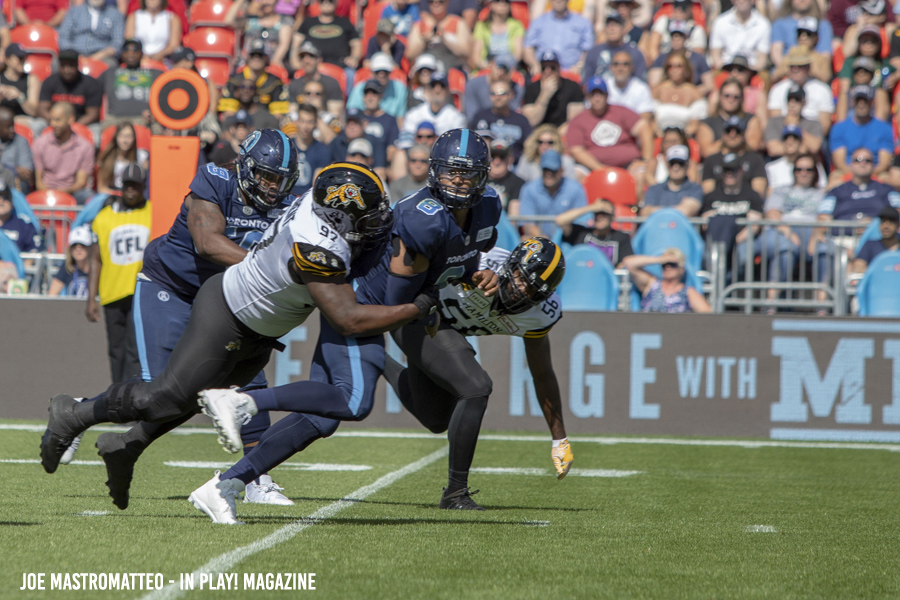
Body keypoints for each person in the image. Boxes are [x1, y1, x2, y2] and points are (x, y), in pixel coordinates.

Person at [39, 161, 438, 513]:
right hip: (229, 314)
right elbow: (347, 319)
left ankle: (127, 447)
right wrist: (419, 307)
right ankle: (73, 412)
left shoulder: (314, 208)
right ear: (338, 219)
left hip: (259, 326)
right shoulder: (316, 245)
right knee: (161, 397)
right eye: (367, 217)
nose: (377, 222)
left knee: (186, 400)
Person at [164, 131, 501, 522]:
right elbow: (398, 300)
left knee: (323, 417)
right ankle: (245, 402)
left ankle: (225, 485)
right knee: (355, 401)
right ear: (434, 172)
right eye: (451, 172)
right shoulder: (422, 219)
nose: (459, 181)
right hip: (363, 309)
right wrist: (428, 305)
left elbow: (461, 256)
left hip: (383, 308)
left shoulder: (488, 206)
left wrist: (473, 276)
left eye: (468, 173)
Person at [382, 238, 572, 511]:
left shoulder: (540, 314)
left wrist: (559, 438)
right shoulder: (479, 261)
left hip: (442, 333)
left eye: (533, 290)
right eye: (521, 278)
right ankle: (455, 493)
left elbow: (542, 373)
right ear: (510, 265)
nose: (522, 291)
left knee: (435, 419)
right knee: (476, 387)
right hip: (415, 315)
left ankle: (375, 358)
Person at [85, 163, 151, 385]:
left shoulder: (152, 212)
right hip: (111, 292)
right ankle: (117, 394)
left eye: (136, 185)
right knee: (116, 351)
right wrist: (91, 298)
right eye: (127, 185)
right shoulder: (104, 217)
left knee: (134, 349)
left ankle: (131, 395)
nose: (131, 189)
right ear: (121, 186)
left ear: (143, 186)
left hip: (140, 292)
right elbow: (95, 259)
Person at [759, 153, 827, 312]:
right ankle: (771, 302)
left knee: (825, 249)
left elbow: (824, 216)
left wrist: (816, 235)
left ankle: (822, 304)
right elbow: (772, 213)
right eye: (799, 169)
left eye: (809, 170)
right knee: (785, 248)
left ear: (815, 172)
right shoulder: (781, 190)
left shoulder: (822, 193)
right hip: (783, 230)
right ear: (794, 171)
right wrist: (788, 231)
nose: (803, 173)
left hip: (812, 230)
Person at [566, 77, 652, 183]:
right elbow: (576, 150)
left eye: (600, 94)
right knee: (576, 175)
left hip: (629, 164)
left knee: (642, 175)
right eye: (593, 94)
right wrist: (600, 168)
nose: (597, 98)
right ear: (587, 96)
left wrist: (645, 160)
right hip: (593, 168)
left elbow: (643, 128)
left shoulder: (621, 111)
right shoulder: (578, 120)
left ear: (607, 95)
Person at [701, 154, 764, 258]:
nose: (729, 174)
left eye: (733, 170)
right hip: (716, 240)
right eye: (726, 170)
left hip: (742, 241)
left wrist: (734, 240)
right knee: (705, 255)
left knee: (743, 255)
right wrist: (724, 241)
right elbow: (705, 223)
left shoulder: (752, 195)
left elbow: (754, 225)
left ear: (741, 171)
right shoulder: (712, 196)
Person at [32, 102, 95, 205]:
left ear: (70, 119)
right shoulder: (40, 143)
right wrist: (51, 193)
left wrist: (64, 192)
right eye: (51, 120)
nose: (53, 124)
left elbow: (81, 182)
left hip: (72, 192)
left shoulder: (85, 147)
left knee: (88, 197)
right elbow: (39, 181)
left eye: (57, 120)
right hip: (45, 191)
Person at [828, 85, 894, 182]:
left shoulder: (885, 128)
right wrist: (857, 176)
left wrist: (866, 175)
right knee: (834, 181)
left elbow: (884, 164)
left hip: (875, 173)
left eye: (865, 100)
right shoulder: (839, 128)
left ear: (872, 102)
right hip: (848, 172)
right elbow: (840, 163)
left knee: (890, 180)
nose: (861, 104)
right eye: (858, 100)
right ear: (852, 102)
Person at [517, 149, 587, 239]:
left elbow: (581, 221)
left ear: (561, 170)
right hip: (539, 240)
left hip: (568, 241)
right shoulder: (529, 189)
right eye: (545, 169)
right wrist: (545, 240)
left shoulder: (575, 189)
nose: (549, 174)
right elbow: (527, 223)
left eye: (553, 170)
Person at [767, 46, 834, 137]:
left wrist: (800, 132)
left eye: (800, 66)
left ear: (808, 67)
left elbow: (824, 127)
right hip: (784, 134)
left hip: (813, 134)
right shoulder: (778, 89)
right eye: (792, 66)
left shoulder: (822, 90)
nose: (795, 69)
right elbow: (775, 122)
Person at [217, 40, 288, 120]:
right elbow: (229, 114)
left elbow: (277, 116)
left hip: (265, 124)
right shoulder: (234, 81)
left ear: (267, 58)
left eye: (260, 55)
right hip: (239, 123)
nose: (256, 58)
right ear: (247, 58)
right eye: (252, 55)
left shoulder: (275, 83)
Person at [623, 248, 712, 312]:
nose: (668, 267)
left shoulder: (688, 292)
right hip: (650, 329)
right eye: (665, 264)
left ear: (681, 269)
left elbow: (707, 314)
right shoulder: (652, 285)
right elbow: (628, 263)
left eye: (672, 264)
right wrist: (660, 259)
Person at [100, 40, 164, 129]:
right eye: (126, 50)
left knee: (157, 129)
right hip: (115, 120)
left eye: (135, 50)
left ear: (141, 53)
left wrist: (155, 114)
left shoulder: (155, 73)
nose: (131, 53)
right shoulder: (110, 73)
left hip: (144, 119)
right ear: (122, 54)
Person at [701, 116, 767, 198]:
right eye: (728, 131)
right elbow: (708, 193)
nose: (732, 135)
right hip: (718, 202)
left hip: (746, 202)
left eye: (737, 131)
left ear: (743, 134)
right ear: (723, 134)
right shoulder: (711, 160)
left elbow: (758, 193)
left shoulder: (755, 159)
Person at [697, 78, 764, 157]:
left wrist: (726, 144)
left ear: (741, 98)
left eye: (736, 97)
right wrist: (732, 140)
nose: (731, 100)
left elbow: (753, 145)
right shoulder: (708, 122)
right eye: (727, 96)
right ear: (720, 96)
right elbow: (706, 152)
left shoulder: (751, 119)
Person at [398, 72, 467, 148]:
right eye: (433, 86)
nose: (437, 90)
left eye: (442, 86)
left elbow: (459, 147)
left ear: (448, 90)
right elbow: (405, 144)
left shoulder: (457, 118)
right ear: (428, 90)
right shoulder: (413, 114)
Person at [555, 198, 633, 266]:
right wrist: (591, 207)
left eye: (604, 213)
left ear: (612, 217)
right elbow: (560, 221)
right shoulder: (582, 233)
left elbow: (627, 262)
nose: (599, 217)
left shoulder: (621, 237)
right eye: (597, 213)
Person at [523, 0, 594, 75]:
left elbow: (588, 50)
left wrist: (579, 66)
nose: (558, 1)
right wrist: (535, 64)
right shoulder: (538, 22)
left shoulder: (582, 23)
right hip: (544, 72)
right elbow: (528, 49)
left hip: (570, 74)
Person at [469, 78, 531, 160]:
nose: (498, 97)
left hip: (515, 164)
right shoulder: (480, 117)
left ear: (511, 95)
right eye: (493, 94)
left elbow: (529, 147)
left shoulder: (521, 120)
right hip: (487, 162)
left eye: (502, 94)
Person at [37, 50, 103, 128]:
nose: (67, 70)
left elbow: (93, 114)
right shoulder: (49, 81)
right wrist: (56, 123)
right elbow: (42, 109)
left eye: (71, 66)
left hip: (82, 123)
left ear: (77, 65)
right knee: (37, 125)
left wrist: (72, 128)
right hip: (53, 122)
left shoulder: (91, 83)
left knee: (96, 130)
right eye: (63, 66)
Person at [522, 50, 585, 128]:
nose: (548, 71)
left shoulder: (572, 87)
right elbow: (531, 121)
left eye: (552, 67)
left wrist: (556, 133)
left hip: (563, 131)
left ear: (559, 68)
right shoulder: (532, 88)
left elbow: (574, 121)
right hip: (539, 132)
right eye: (543, 68)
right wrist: (545, 95)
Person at [405, 0, 472, 72]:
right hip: (426, 72)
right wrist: (424, 41)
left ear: (447, 2)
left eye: (440, 1)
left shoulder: (458, 23)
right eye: (431, 1)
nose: (436, 4)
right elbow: (410, 55)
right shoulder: (420, 25)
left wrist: (445, 39)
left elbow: (466, 52)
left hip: (452, 70)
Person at [296, 0, 361, 70]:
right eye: (322, 1)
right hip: (312, 66)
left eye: (330, 0)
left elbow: (356, 43)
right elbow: (296, 43)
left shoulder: (345, 22)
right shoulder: (308, 22)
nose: (326, 2)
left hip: (340, 66)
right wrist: (295, 62)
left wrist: (354, 58)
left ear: (336, 3)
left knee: (350, 73)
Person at [226, 0, 291, 69]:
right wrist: (240, 1)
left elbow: (283, 45)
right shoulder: (250, 21)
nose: (266, 2)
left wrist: (272, 64)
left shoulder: (284, 21)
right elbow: (229, 21)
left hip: (271, 65)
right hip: (248, 64)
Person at [582, 13, 647, 83]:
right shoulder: (594, 52)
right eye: (609, 25)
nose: (612, 29)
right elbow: (586, 80)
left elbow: (640, 81)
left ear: (624, 29)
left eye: (616, 25)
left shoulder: (634, 52)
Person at [708, 0, 771, 71]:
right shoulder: (720, 22)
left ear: (753, 1)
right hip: (725, 69)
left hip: (751, 70)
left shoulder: (763, 24)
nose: (741, 1)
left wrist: (746, 73)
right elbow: (715, 55)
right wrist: (728, 71)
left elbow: (762, 60)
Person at [642, 144, 703, 217]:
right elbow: (645, 212)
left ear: (687, 165)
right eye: (672, 163)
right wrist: (679, 208)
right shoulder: (654, 189)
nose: (675, 167)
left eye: (680, 163)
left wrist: (655, 210)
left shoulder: (695, 189)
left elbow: (686, 211)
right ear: (667, 165)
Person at [288, 42, 345, 119]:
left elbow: (336, 116)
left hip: (324, 123)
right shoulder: (294, 85)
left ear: (319, 60)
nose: (306, 61)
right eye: (302, 56)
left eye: (311, 56)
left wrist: (319, 110)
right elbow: (291, 114)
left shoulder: (331, 83)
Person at [764, 84, 823, 158]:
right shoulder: (774, 121)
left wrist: (796, 126)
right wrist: (800, 149)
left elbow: (815, 147)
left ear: (804, 103)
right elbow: (773, 149)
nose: (792, 105)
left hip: (803, 162)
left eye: (797, 100)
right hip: (779, 161)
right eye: (789, 100)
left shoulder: (814, 124)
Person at [57, 0, 125, 65]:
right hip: (74, 54)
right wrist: (73, 54)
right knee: (56, 64)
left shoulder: (115, 14)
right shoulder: (74, 11)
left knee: (111, 65)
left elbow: (117, 42)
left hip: (102, 56)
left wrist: (99, 56)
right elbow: (63, 36)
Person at [346, 53, 408, 118]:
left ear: (390, 73)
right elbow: (352, 112)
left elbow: (401, 116)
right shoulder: (360, 88)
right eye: (377, 72)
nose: (381, 75)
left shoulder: (399, 88)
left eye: (385, 72)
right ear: (371, 73)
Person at [471, 0, 525, 71]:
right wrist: (487, 66)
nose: (502, 3)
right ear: (491, 4)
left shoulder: (517, 25)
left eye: (506, 1)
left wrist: (504, 68)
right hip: (487, 68)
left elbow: (518, 55)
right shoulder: (481, 26)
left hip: (510, 69)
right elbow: (476, 56)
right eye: (497, 1)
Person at [96, 123, 150, 195]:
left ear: (134, 138)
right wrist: (118, 194)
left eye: (128, 136)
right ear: (116, 137)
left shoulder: (142, 156)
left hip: (135, 194)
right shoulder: (107, 157)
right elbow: (101, 188)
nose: (125, 140)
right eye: (121, 136)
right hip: (113, 193)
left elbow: (147, 183)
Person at [291, 104, 332, 196]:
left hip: (308, 199)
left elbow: (316, 185)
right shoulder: (288, 147)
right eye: (302, 121)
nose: (305, 126)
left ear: (316, 123)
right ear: (296, 122)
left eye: (310, 122)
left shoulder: (323, 151)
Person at [603, 49, 653, 120]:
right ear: (611, 67)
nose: (620, 68)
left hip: (633, 126)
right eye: (616, 64)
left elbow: (645, 117)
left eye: (625, 64)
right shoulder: (603, 87)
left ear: (632, 68)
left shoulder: (641, 88)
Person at [851, 205, 900, 277]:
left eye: (891, 222)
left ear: (898, 224)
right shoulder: (870, 245)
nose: (886, 226)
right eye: (883, 221)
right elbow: (858, 266)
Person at [0, 44, 40, 123]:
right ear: (8, 60)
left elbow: (34, 112)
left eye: (25, 58)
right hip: (3, 120)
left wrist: (20, 97)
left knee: (39, 124)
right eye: (20, 58)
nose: (23, 61)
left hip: (24, 120)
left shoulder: (31, 79)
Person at [49, 225, 92, 297]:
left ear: (90, 248)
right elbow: (52, 295)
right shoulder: (67, 267)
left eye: (82, 245)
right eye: (74, 245)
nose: (78, 249)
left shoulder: (97, 267)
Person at [0, 107, 34, 192]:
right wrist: (15, 169)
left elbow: (26, 174)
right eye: (8, 127)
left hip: (13, 185)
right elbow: (20, 171)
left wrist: (5, 170)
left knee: (22, 184)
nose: (12, 129)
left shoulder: (21, 141)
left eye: (13, 125)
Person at [0, 181, 39, 254]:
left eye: (5, 197)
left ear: (11, 202)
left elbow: (34, 251)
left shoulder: (24, 225)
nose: (1, 201)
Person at [487, 139, 525, 212]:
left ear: (510, 159)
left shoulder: (518, 183)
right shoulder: (478, 179)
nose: (496, 162)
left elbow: (514, 215)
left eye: (502, 156)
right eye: (493, 156)